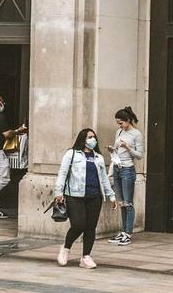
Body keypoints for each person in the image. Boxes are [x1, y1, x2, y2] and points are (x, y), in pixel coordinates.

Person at [54, 128, 116, 269]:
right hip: (74, 195)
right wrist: (58, 192)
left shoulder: (98, 157)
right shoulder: (72, 154)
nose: (92, 140)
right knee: (78, 224)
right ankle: (65, 248)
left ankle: (86, 257)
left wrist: (111, 196)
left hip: (94, 196)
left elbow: (104, 178)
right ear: (83, 139)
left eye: (94, 137)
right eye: (89, 137)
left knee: (90, 227)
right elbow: (62, 173)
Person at [107, 106, 143, 246]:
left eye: (121, 122)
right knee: (121, 202)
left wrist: (127, 147)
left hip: (128, 169)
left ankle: (128, 232)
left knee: (128, 202)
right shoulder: (119, 132)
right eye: (118, 123)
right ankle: (122, 231)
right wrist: (112, 149)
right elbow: (116, 151)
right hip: (117, 167)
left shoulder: (136, 134)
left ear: (128, 120)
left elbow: (139, 155)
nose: (119, 125)